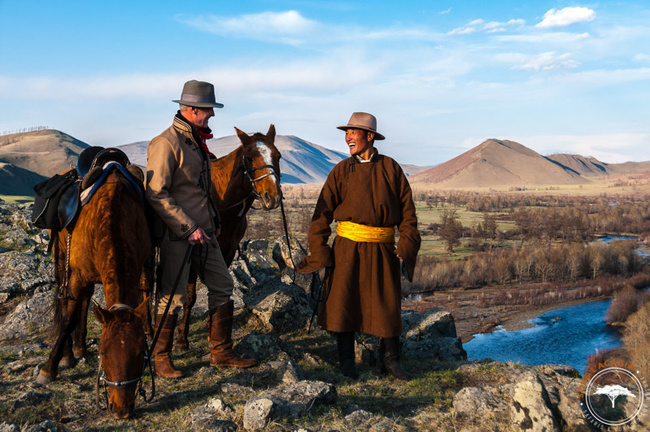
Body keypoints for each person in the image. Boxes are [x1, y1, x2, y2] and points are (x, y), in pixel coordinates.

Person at [297, 112, 421, 380]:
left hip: (382, 249)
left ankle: (390, 362)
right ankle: (346, 363)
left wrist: (405, 247)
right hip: (347, 248)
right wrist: (321, 251)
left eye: (354, 132)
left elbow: (408, 214)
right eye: (347, 132)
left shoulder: (391, 168)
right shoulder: (340, 171)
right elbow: (321, 215)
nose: (348, 137)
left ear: (370, 136)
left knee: (387, 305)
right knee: (345, 301)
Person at [145, 80, 257, 378]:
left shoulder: (196, 141)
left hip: (205, 231)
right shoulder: (166, 143)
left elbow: (201, 192)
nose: (212, 115)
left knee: (222, 285)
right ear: (192, 110)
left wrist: (214, 222)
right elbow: (156, 192)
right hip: (178, 233)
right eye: (208, 110)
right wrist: (187, 226)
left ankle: (221, 351)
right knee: (173, 295)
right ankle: (161, 357)